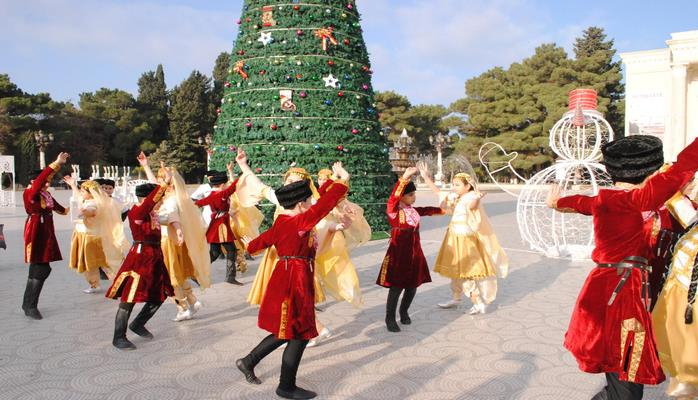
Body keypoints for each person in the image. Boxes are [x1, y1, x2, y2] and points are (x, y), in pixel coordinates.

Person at [547, 135, 698, 399]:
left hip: (605, 289)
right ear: (649, 171)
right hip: (624, 294)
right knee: (628, 366)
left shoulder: (605, 199)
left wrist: (558, 203)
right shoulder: (638, 199)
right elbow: (682, 168)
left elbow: (580, 203)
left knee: (621, 367)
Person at [236, 162, 350, 400]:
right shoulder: (299, 222)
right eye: (308, 201)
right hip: (294, 280)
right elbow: (325, 205)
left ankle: (248, 362)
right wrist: (342, 179)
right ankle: (285, 386)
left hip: (288, 275)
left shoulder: (282, 222)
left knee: (287, 331)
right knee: (298, 333)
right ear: (300, 204)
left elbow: (263, 240)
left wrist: (250, 245)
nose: (311, 204)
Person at [418, 163, 508, 314]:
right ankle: (456, 298)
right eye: (454, 184)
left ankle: (478, 302)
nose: (454, 187)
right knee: (455, 271)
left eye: (457, 185)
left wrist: (478, 197)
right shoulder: (456, 197)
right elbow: (438, 192)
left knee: (466, 272)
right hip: (453, 237)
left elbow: (472, 206)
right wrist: (426, 177)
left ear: (468, 186)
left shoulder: (471, 196)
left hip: (465, 240)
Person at [137, 154, 211, 322]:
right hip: (171, 241)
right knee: (178, 275)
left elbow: (170, 217)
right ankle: (192, 301)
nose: (159, 182)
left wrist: (154, 217)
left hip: (166, 242)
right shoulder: (175, 197)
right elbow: (155, 187)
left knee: (171, 278)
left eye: (162, 179)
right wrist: (146, 166)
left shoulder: (171, 200)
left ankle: (182, 307)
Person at [106, 181, 174, 350]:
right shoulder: (138, 210)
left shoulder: (152, 213)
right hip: (139, 259)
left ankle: (138, 323)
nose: (162, 202)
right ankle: (118, 337)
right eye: (160, 198)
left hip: (155, 258)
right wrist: (164, 184)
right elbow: (150, 202)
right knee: (129, 298)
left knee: (161, 294)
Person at [377, 167, 444, 332]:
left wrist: (446, 208)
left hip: (415, 253)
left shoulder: (413, 211)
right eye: (411, 195)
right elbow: (393, 198)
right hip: (399, 253)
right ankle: (390, 318)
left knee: (412, 286)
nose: (414, 198)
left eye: (414, 194)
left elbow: (430, 210)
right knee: (396, 287)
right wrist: (405, 177)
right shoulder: (394, 211)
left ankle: (404, 311)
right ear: (402, 196)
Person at [21, 152, 70, 319]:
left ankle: (28, 304)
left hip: (46, 231)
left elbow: (60, 209)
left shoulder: (45, 194)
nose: (47, 184)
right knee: (40, 267)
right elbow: (41, 180)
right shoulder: (30, 192)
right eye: (45, 181)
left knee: (40, 267)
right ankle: (30, 305)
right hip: (36, 230)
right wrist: (56, 163)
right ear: (33, 182)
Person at [63, 178, 127, 293]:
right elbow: (80, 197)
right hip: (85, 235)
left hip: (91, 237)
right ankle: (96, 284)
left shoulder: (94, 203)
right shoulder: (89, 200)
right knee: (95, 263)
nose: (81, 193)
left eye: (83, 191)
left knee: (97, 263)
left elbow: (91, 211)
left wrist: (84, 213)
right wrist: (73, 185)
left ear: (90, 193)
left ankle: (117, 283)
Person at [194, 157, 242, 285]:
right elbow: (234, 187)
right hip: (221, 226)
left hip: (217, 224)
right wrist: (243, 174)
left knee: (215, 253)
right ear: (221, 185)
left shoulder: (211, 195)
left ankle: (196, 273)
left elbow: (198, 203)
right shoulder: (221, 194)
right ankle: (230, 277)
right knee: (231, 250)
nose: (226, 186)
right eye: (225, 184)